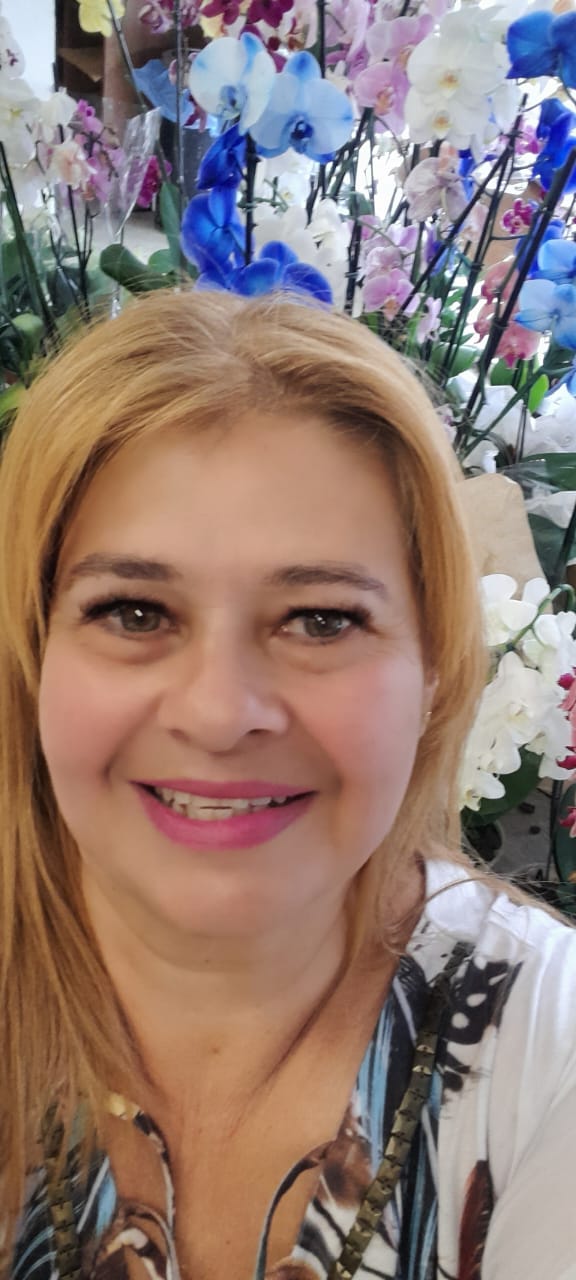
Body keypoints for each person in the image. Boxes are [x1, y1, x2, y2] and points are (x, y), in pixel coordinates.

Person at [0, 288, 574, 1280]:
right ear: (33, 654)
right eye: (134, 612)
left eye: (321, 619)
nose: (220, 714)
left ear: (436, 669)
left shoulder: (549, 1054)